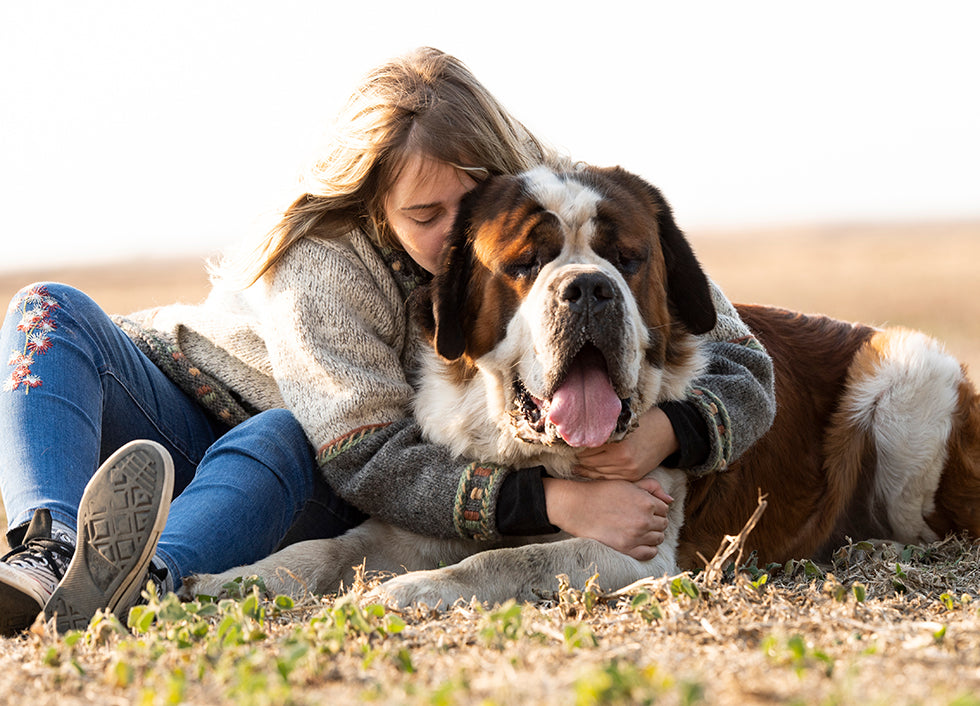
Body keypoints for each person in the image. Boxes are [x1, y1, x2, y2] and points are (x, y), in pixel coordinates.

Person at [0, 47, 775, 635]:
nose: (454, 233)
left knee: (276, 437)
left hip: (284, 462)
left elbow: (731, 349)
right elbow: (366, 455)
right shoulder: (324, 259)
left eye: (471, 206)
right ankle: (51, 547)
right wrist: (553, 499)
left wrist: (667, 434)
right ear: (377, 202)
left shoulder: (567, 206)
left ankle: (147, 579)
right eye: (425, 215)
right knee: (47, 309)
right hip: (197, 404)